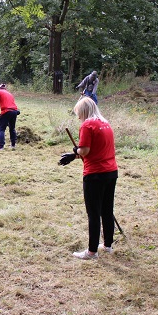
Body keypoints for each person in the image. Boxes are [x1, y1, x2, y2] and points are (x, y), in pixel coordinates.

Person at [59, 97, 118, 260]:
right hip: (111, 172)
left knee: (93, 212)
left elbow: (84, 150)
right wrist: (74, 155)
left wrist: (76, 151)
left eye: (79, 114)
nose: (78, 117)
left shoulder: (87, 125)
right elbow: (97, 150)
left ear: (84, 111)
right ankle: (107, 245)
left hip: (95, 175)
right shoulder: (105, 124)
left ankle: (92, 252)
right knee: (107, 210)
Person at [0, 83, 19, 150]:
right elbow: (12, 103)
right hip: (14, 111)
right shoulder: (9, 94)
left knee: (1, 129)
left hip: (6, 111)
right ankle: (13, 145)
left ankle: (1, 146)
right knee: (12, 128)